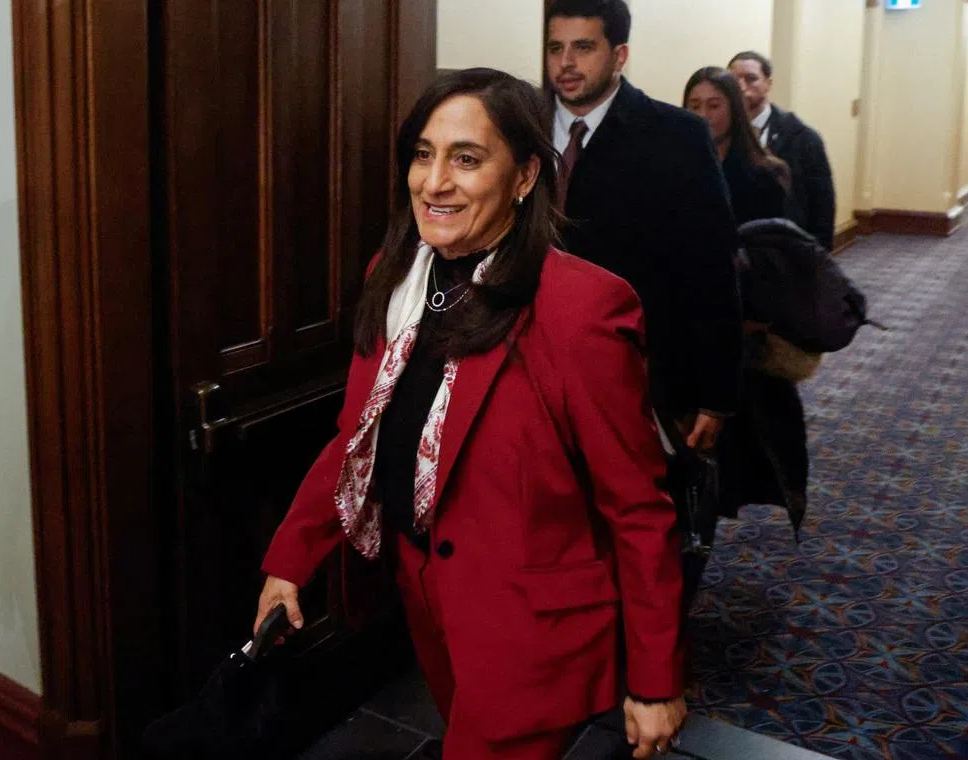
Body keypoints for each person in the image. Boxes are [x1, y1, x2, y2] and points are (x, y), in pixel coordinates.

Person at [254, 68, 687, 760]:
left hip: (532, 625)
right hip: (427, 592)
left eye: (466, 158)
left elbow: (637, 507)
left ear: (523, 178)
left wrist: (657, 679)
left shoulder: (580, 310)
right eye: (424, 155)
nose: (434, 182)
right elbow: (356, 434)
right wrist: (291, 561)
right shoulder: (396, 278)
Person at [547, 0, 742, 456]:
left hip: (635, 371)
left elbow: (710, 267)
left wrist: (714, 393)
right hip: (530, 368)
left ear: (619, 55)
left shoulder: (675, 136)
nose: (566, 63)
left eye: (583, 47)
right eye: (555, 47)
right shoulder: (518, 127)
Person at [728, 50, 836, 251]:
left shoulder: (802, 137)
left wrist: (819, 256)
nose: (742, 87)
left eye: (751, 79)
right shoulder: (720, 133)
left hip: (786, 249)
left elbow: (822, 204)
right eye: (734, 81)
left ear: (768, 84)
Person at [683, 66, 790, 225]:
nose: (703, 115)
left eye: (714, 106)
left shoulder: (765, 173)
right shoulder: (677, 167)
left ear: (735, 110)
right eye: (695, 106)